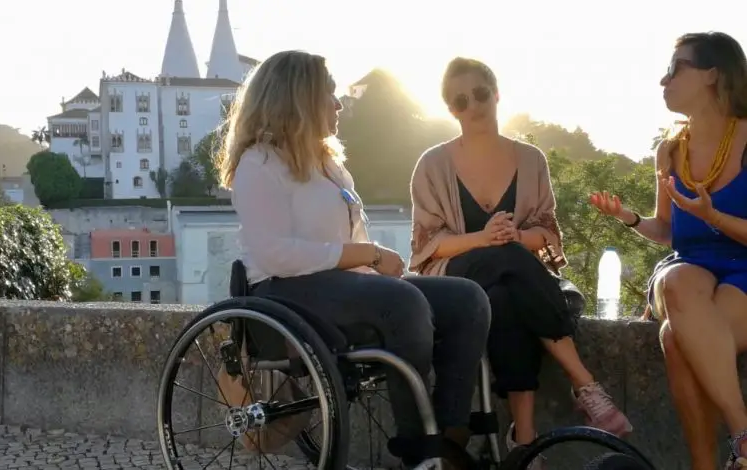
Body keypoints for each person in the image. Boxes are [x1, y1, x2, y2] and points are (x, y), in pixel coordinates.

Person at [215, 50, 492, 468]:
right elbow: (275, 254)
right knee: (402, 303)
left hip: (345, 287)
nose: (339, 103)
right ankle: (418, 451)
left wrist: (374, 264)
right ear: (300, 99)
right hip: (283, 293)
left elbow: (351, 245)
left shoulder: (329, 165)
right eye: (329, 93)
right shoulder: (259, 164)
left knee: (467, 299)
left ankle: (449, 436)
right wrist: (366, 256)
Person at [409, 57, 632, 467]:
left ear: (496, 94)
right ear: (450, 110)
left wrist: (517, 236)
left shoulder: (531, 160)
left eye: (479, 94)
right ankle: (583, 383)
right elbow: (427, 246)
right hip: (458, 280)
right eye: (460, 101)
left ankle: (523, 444)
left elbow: (547, 236)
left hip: (511, 284)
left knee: (507, 293)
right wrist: (484, 238)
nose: (473, 105)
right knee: (503, 258)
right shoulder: (432, 165)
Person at [590, 31, 747, 470]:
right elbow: (669, 232)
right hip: (689, 274)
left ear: (713, 74)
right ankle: (744, 435)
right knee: (677, 279)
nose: (664, 79)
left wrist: (715, 217)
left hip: (744, 273)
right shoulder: (669, 151)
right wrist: (630, 219)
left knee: (677, 340)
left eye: (676, 68)